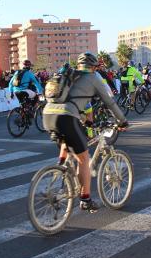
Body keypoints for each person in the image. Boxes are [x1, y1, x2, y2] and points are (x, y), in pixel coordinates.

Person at [43, 52, 128, 212]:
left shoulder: (69, 76)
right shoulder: (94, 77)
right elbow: (109, 102)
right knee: (83, 159)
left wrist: (86, 121)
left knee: (67, 141)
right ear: (94, 67)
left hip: (47, 115)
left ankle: (60, 166)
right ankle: (85, 199)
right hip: (66, 118)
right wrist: (122, 121)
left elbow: (77, 102)